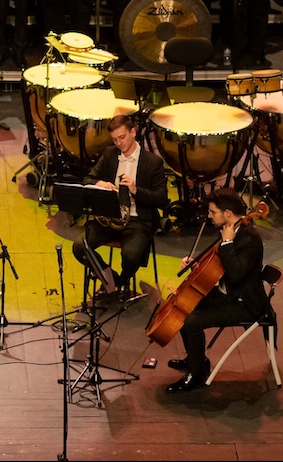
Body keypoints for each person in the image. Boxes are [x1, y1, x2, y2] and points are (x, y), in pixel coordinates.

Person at [166, 187, 267, 393]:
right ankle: (196, 360)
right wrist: (196, 265)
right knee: (183, 305)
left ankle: (197, 374)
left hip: (244, 303)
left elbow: (237, 274)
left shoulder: (250, 239)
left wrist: (227, 243)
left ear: (227, 213)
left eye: (212, 212)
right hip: (227, 293)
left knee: (191, 320)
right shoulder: (231, 230)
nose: (209, 216)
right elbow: (220, 266)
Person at [70, 113, 167, 297]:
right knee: (80, 246)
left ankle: (123, 281)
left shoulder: (152, 162)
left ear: (133, 132)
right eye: (114, 140)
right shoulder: (110, 154)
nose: (119, 143)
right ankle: (110, 278)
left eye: (122, 137)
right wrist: (99, 184)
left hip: (138, 221)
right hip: (110, 217)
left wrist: (136, 190)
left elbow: (162, 199)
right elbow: (88, 178)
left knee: (130, 255)